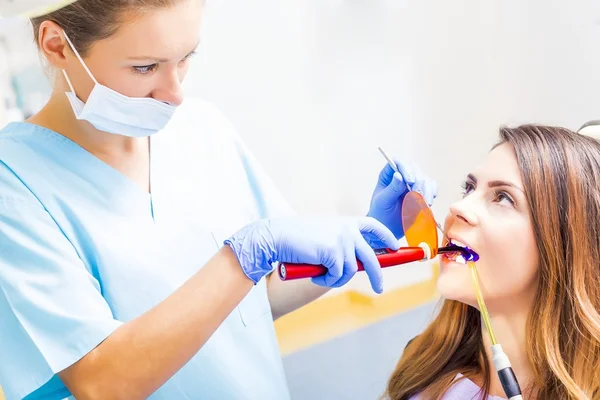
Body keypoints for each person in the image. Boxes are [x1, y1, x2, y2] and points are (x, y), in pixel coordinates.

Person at [0, 1, 438, 399]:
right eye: (145, 67)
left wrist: (365, 238)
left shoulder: (201, 128)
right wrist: (240, 257)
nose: (174, 94)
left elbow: (253, 299)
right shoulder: (15, 181)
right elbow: (102, 381)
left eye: (186, 58)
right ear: (57, 46)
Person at [383, 125, 600, 400]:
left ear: (566, 244)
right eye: (469, 188)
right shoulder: (424, 366)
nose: (458, 208)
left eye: (503, 197)